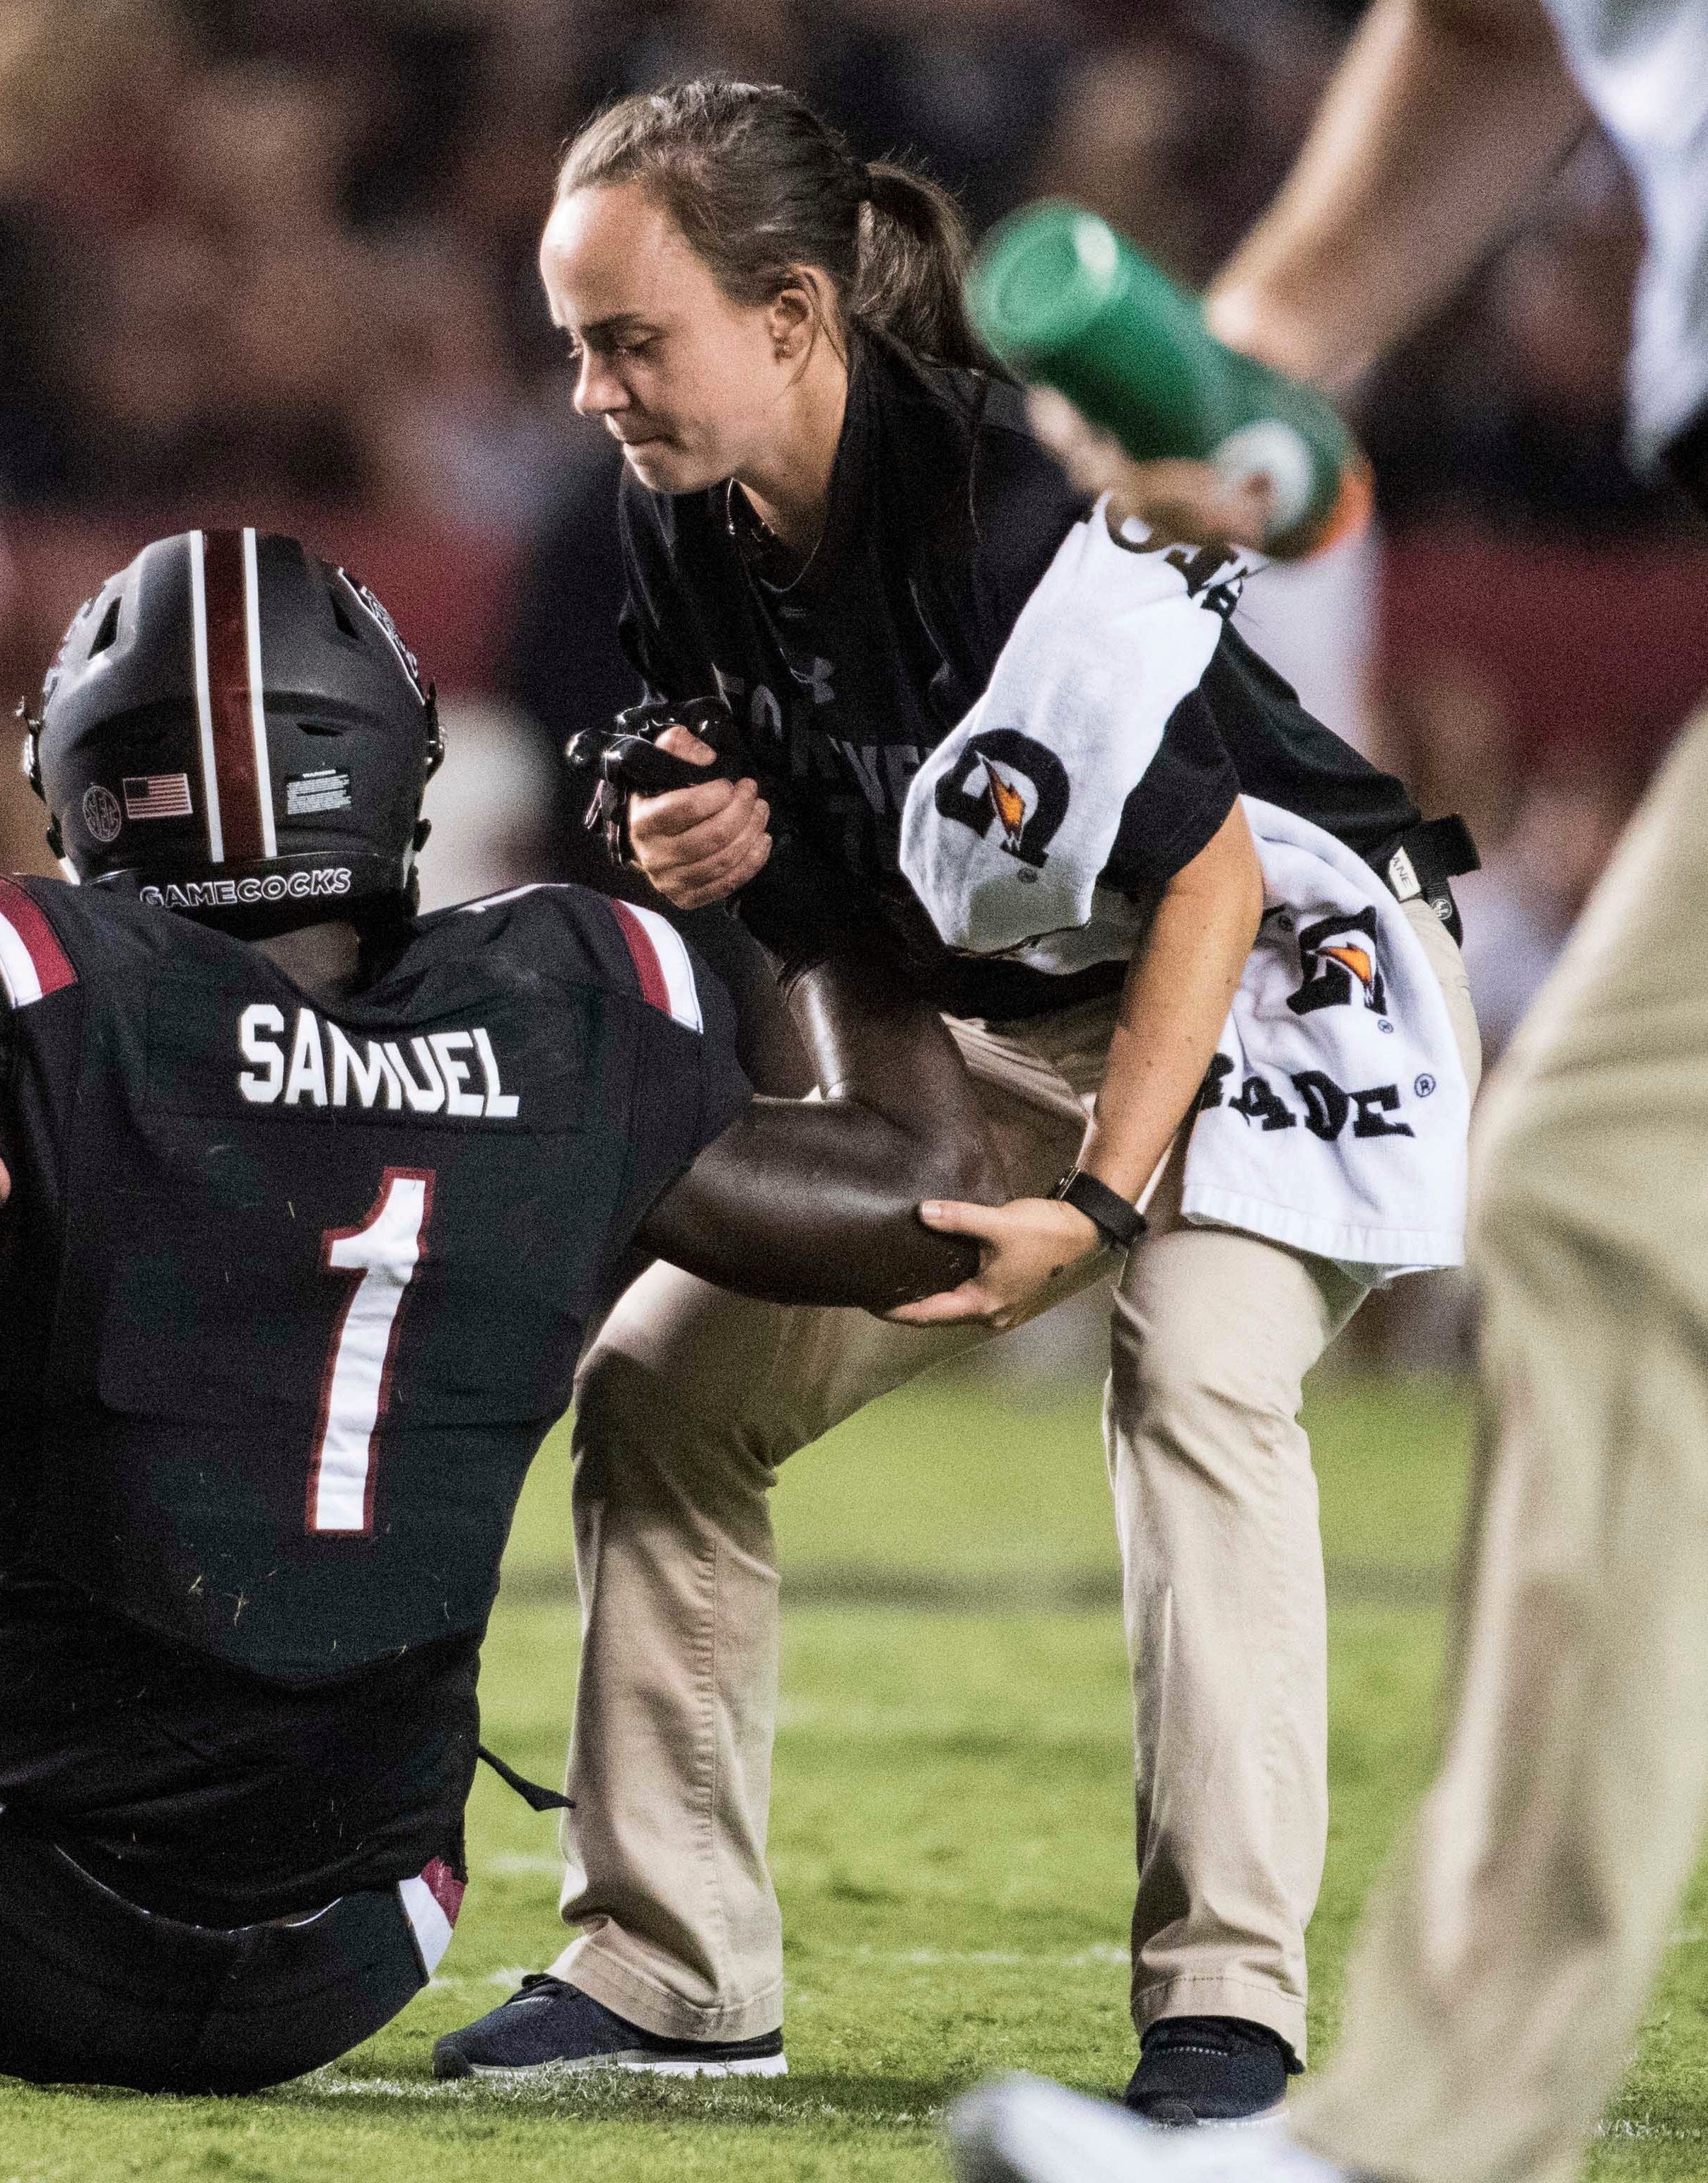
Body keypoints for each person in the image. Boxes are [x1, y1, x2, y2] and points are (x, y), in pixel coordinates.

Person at [0, 527, 1016, 2090]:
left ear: (82, 786)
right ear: (398, 759)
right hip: (366, 1934)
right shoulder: (574, 990)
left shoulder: (18, 977)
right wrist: (800, 886)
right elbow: (925, 1194)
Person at [432, 80, 1482, 2121]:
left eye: (628, 338)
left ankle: (1225, 2020)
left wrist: (1092, 1213)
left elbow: (1208, 872)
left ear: (795, 318)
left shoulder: (1015, 523)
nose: (588, 392)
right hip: (1013, 1009)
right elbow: (852, 907)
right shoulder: (682, 528)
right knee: (666, 1395)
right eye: (575, 343)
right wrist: (702, 839)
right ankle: (667, 1968)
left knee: (1193, 1382)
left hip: (1284, 970)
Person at [941, 0, 1708, 2174]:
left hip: (1308, 914)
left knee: (1597, 1209)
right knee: (1609, 1208)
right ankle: (1417, 2138)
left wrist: (1097, 1200)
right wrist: (1274, 319)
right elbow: (1491, 27)